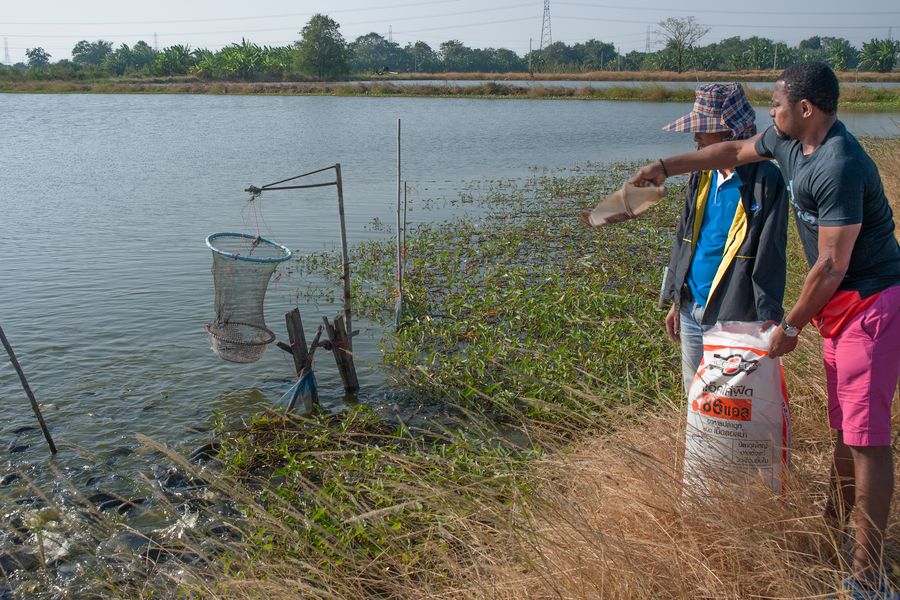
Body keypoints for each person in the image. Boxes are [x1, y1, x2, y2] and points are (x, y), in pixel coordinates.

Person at [630, 62, 900, 598]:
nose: (769, 111)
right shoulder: (787, 142)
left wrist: (791, 326)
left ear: (806, 108)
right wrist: (666, 165)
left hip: (870, 307)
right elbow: (730, 152)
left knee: (867, 440)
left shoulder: (839, 164)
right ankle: (832, 533)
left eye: (776, 101)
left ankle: (869, 578)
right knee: (846, 430)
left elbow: (830, 265)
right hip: (840, 313)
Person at [658, 83, 788, 394]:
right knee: (696, 396)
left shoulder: (765, 180)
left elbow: (771, 253)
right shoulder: (702, 173)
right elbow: (685, 237)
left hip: (734, 316)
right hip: (691, 308)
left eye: (704, 130)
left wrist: (767, 317)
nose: (696, 137)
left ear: (729, 133)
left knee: (732, 404)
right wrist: (677, 299)